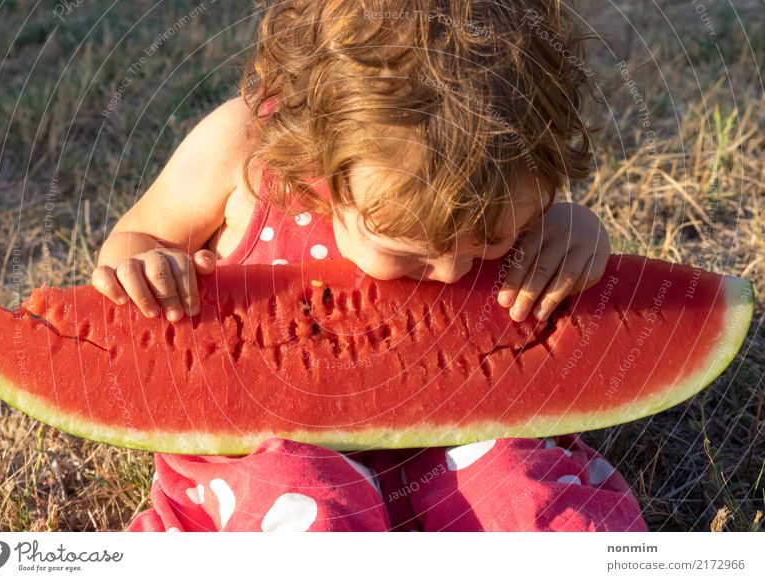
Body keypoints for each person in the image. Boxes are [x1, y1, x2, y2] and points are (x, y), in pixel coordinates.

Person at [92, 0, 647, 532]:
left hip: (464, 429)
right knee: (296, 496)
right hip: (269, 437)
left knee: (528, 492)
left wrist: (574, 232)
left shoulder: (505, 161)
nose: (452, 271)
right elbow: (139, 237)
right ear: (321, 152)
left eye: (487, 241)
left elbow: (554, 237)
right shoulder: (243, 146)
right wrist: (146, 266)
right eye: (407, 246)